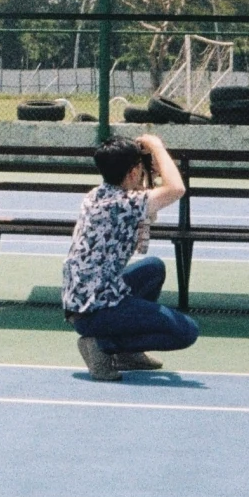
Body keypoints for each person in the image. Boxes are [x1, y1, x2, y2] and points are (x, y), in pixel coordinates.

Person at [61, 132, 201, 382]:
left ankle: (128, 352)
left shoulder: (97, 195)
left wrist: (144, 177)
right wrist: (157, 145)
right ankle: (103, 344)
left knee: (153, 269)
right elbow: (176, 188)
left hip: (83, 298)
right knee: (186, 331)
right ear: (133, 171)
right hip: (95, 309)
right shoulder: (125, 204)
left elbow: (141, 234)